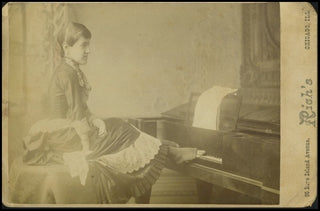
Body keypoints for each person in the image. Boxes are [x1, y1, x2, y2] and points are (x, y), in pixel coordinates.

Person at [22, 22, 205, 204]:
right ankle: (171, 152)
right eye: (83, 45)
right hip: (65, 135)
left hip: (70, 130)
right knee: (121, 127)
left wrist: (96, 120)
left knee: (119, 127)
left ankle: (169, 150)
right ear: (66, 47)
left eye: (89, 45)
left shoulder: (71, 69)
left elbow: (82, 111)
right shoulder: (67, 73)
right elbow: (77, 118)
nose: (88, 50)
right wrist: (87, 146)